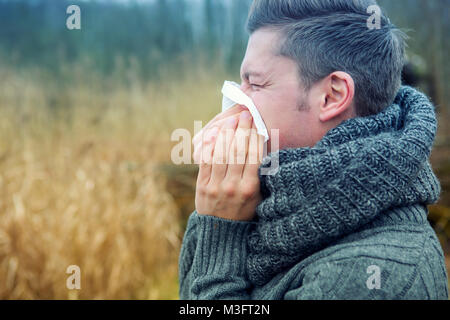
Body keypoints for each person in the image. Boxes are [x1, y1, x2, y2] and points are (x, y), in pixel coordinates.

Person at [179, 0, 449, 299]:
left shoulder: (373, 278)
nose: (236, 101)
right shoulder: (276, 206)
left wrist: (220, 234)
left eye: (254, 84)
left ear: (332, 96)